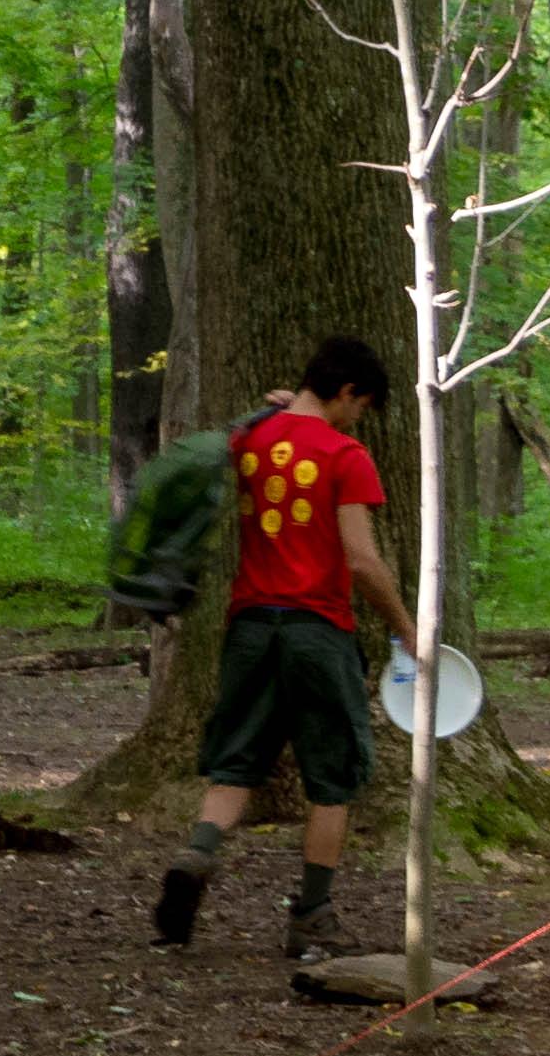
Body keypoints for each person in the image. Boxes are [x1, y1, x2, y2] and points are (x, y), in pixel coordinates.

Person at [154, 334, 418, 958]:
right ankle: (313, 917)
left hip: (249, 628)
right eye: (362, 405)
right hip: (317, 633)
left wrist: (280, 406)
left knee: (235, 762)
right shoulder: (345, 454)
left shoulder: (249, 439)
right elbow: (362, 561)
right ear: (348, 391)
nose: (361, 420)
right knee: (332, 779)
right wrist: (406, 626)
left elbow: (276, 427)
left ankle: (197, 854)